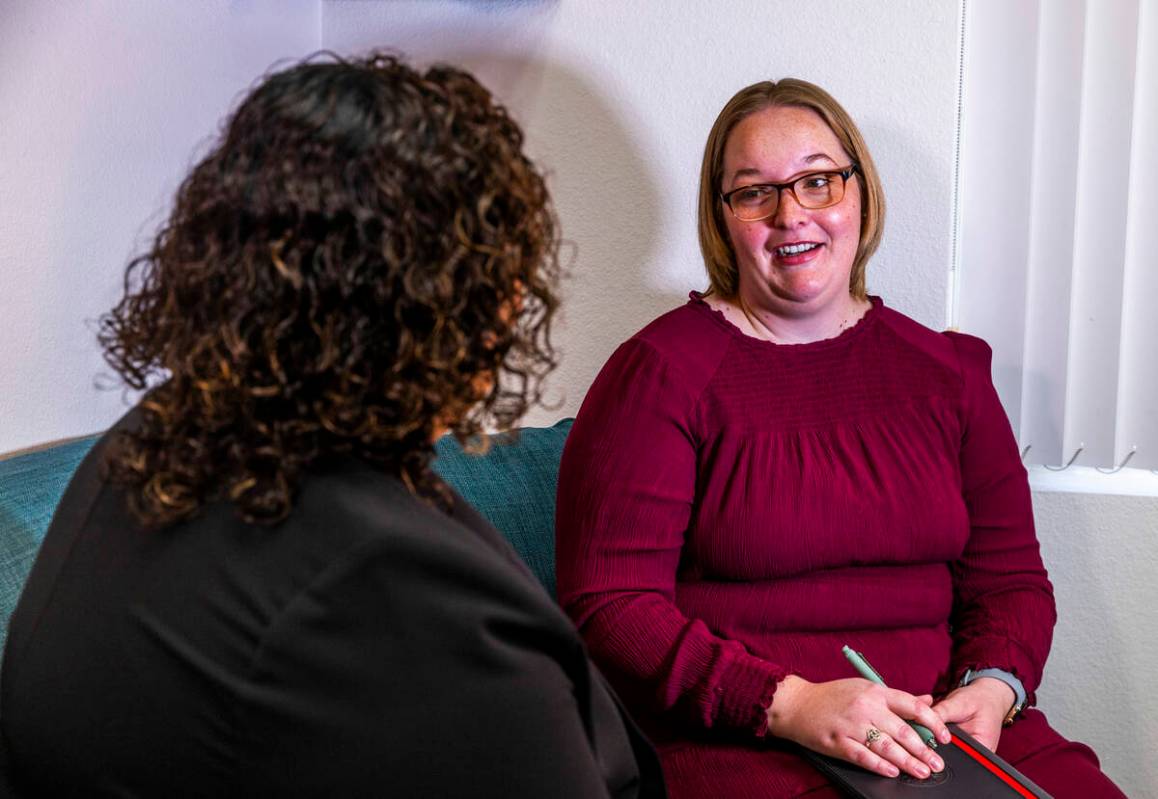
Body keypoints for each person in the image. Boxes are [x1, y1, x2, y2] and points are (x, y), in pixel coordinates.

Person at [0, 53, 664, 798]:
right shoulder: (392, 587)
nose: (515, 301)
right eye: (497, 266)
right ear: (440, 300)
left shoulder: (154, 439)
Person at [555, 78, 1125, 798]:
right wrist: (789, 703)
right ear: (722, 215)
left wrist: (994, 687)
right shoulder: (659, 376)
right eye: (754, 192)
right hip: (748, 739)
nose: (791, 213)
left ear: (860, 193)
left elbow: (1010, 581)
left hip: (942, 734)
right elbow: (610, 603)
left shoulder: (948, 373)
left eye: (818, 181)